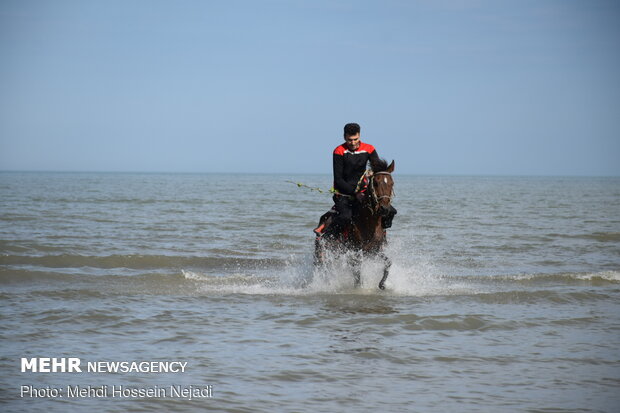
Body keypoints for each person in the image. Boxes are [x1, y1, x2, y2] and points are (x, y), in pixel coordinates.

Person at [315, 123, 396, 238]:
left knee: (390, 211)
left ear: (359, 136)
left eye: (355, 139)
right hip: (343, 192)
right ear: (344, 137)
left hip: (364, 191)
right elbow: (338, 179)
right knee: (345, 217)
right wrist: (355, 193)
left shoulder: (369, 149)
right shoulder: (339, 151)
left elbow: (377, 169)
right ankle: (328, 238)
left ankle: (382, 237)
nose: (353, 143)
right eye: (349, 140)